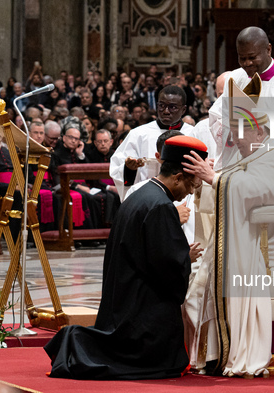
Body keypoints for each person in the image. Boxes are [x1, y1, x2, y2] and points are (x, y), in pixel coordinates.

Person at [182, 76, 274, 377]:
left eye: (237, 134)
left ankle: (224, 352)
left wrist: (213, 178)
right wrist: (208, 181)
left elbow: (249, 190)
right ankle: (211, 355)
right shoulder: (259, 154)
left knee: (208, 275)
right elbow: (238, 184)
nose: (233, 142)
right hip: (265, 236)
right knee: (202, 276)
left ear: (257, 128)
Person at [45, 135, 208, 380]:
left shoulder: (142, 195)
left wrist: (179, 255)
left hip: (125, 296)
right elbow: (166, 266)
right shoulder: (161, 206)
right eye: (191, 186)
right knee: (157, 364)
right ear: (177, 177)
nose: (189, 193)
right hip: (142, 309)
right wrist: (185, 257)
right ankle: (75, 342)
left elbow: (149, 251)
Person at [209, 26, 274, 170]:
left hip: (273, 172)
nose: (247, 63)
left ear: (268, 50)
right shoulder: (235, 78)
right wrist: (233, 134)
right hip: (236, 168)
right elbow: (218, 118)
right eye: (242, 58)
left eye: (252, 57)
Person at [110, 85, 194, 201]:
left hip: (185, 201)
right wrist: (129, 169)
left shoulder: (193, 135)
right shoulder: (138, 134)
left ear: (183, 110)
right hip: (147, 199)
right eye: (161, 106)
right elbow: (117, 168)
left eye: (172, 107)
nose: (165, 111)